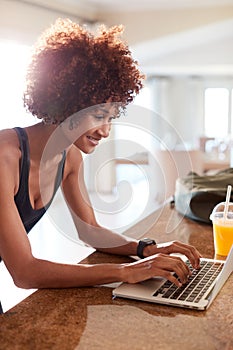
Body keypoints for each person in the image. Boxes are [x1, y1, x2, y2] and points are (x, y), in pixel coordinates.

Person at [0, 18, 201, 313]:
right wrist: (126, 272)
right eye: (98, 116)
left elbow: (90, 229)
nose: (106, 131)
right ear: (66, 103)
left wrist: (146, 248)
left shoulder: (69, 158)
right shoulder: (5, 156)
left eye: (111, 118)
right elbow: (25, 271)